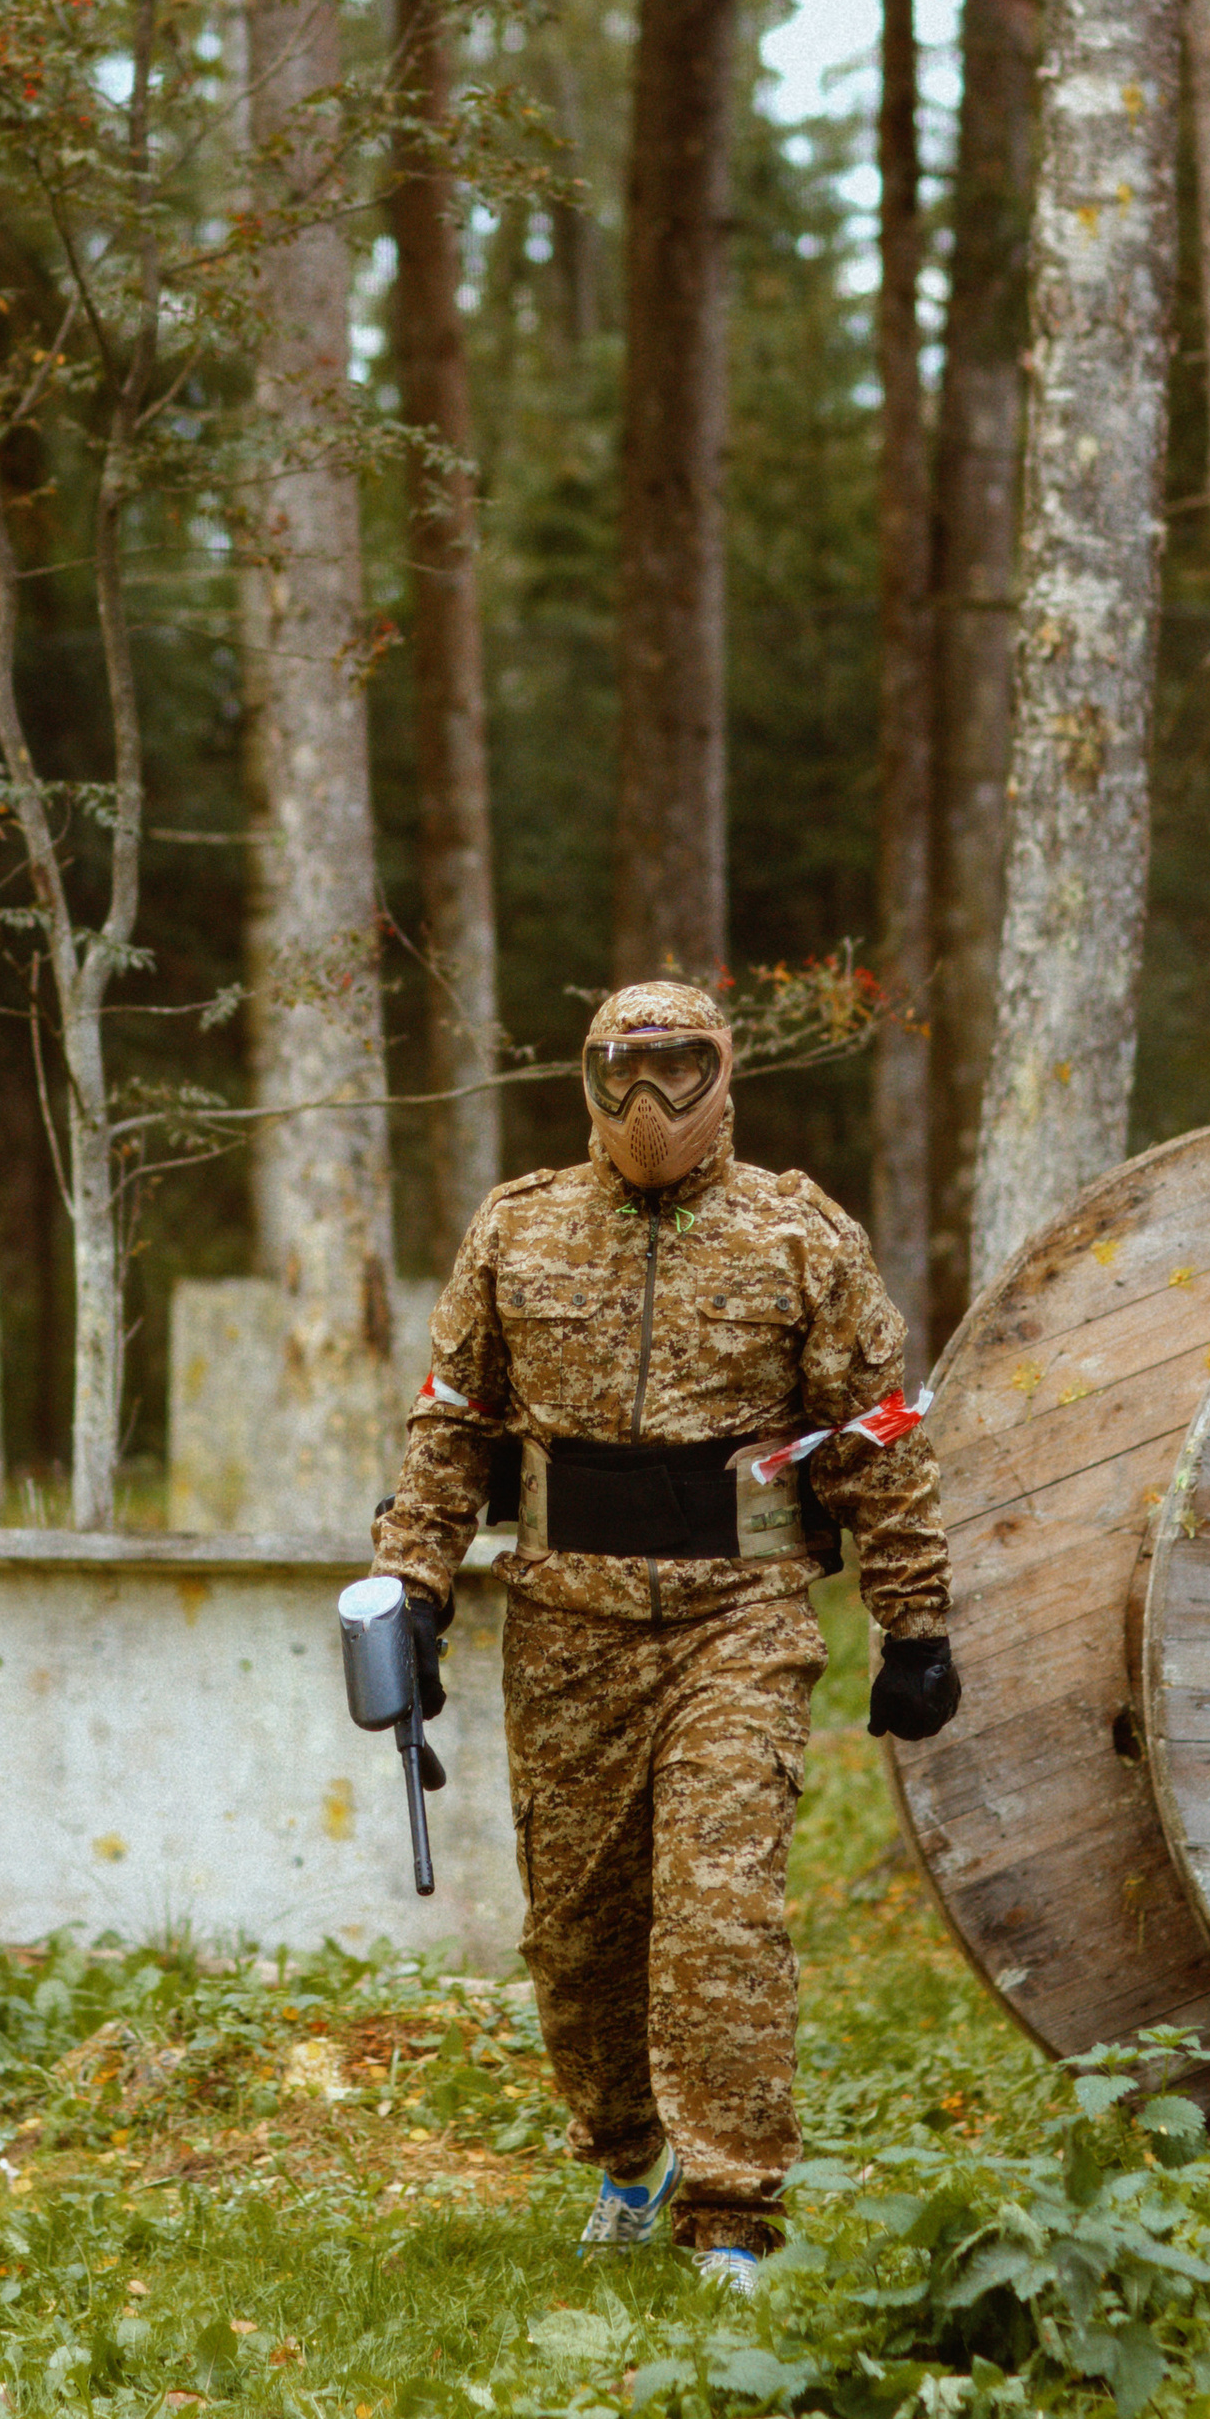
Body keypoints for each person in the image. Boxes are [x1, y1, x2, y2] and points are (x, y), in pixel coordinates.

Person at [370, 976, 959, 2295]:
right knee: (578, 1936)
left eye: (679, 1072)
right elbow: (452, 1420)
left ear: (725, 1076)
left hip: (737, 1621)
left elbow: (877, 1437)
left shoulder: (794, 1234)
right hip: (567, 1623)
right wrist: (411, 1589)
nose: (650, 1105)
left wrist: (914, 1621)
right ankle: (628, 2156)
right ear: (586, 1081)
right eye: (624, 1075)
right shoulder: (518, 1233)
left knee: (718, 1909)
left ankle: (731, 2213)